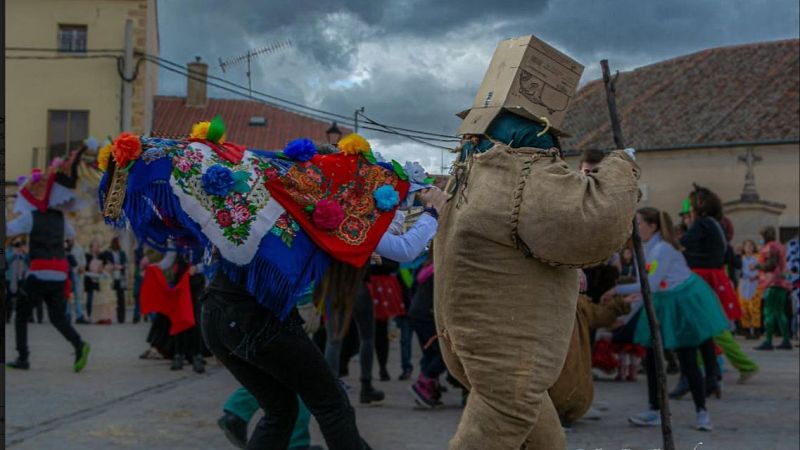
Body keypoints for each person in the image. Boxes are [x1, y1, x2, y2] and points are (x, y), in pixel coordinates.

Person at [100, 128, 444, 450]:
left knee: (281, 409)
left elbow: (379, 237)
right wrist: (433, 212)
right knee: (332, 404)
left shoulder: (278, 192)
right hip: (256, 320)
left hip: (217, 315)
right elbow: (405, 249)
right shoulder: (322, 205)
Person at [602, 207, 729, 431]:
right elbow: (645, 291)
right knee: (651, 359)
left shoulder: (663, 249)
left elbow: (649, 285)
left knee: (688, 359)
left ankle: (702, 413)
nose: (634, 228)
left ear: (652, 226)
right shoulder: (644, 249)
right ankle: (654, 410)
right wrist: (625, 318)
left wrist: (616, 289)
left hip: (681, 304)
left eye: (638, 223)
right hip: (661, 302)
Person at [6, 149, 91, 372]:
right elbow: (71, 235)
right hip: (59, 272)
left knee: (21, 314)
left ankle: (23, 357)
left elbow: (8, 230)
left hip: (39, 271)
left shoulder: (30, 217)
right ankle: (79, 344)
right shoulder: (61, 219)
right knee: (57, 317)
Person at [679, 185, 759, 388]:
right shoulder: (716, 224)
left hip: (702, 278)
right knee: (703, 327)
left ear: (698, 206)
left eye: (691, 206)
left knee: (709, 327)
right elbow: (730, 256)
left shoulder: (702, 224)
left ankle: (738, 366)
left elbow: (683, 242)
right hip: (713, 277)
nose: (689, 211)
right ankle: (706, 368)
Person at [754, 226, 793, 350]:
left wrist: (757, 266)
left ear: (765, 236)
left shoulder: (770, 247)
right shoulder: (779, 245)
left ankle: (768, 341)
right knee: (780, 311)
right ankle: (786, 340)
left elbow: (771, 264)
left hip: (772, 283)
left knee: (769, 312)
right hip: (782, 282)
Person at [738, 239, 762, 339]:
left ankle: (756, 329)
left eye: (751, 245)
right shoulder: (740, 258)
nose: (749, 247)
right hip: (743, 284)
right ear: (743, 248)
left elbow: (762, 269)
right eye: (747, 246)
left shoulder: (758, 257)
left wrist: (756, 276)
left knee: (754, 307)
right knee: (743, 307)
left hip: (755, 283)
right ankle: (746, 329)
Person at [6, 238, 29, 324]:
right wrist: (14, 253)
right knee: (9, 299)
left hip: (21, 278)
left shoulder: (23, 251)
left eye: (19, 241)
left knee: (22, 299)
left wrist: (26, 253)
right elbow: (6, 260)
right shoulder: (7, 250)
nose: (18, 243)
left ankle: (21, 317)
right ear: (12, 241)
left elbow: (29, 262)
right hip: (10, 278)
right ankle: (8, 317)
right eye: (16, 241)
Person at [66, 237, 89, 324]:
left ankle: (79, 315)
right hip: (66, 274)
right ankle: (67, 314)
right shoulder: (64, 247)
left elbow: (83, 260)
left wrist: (82, 266)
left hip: (76, 273)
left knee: (77, 295)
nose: (70, 240)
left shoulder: (79, 248)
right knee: (67, 295)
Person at [85, 259, 115, 325]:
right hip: (101, 293)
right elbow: (92, 275)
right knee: (101, 307)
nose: (99, 269)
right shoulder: (100, 275)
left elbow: (109, 280)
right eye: (98, 267)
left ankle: (107, 318)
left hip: (107, 293)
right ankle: (101, 318)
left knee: (106, 307)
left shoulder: (105, 274)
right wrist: (85, 273)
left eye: (100, 267)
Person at [106, 237, 128, 323]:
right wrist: (112, 266)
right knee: (110, 297)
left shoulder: (122, 253)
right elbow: (106, 262)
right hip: (111, 276)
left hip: (120, 276)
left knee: (121, 297)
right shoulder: (108, 253)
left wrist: (121, 266)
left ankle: (121, 318)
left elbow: (125, 263)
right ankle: (109, 317)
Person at [84, 240, 104, 320]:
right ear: (91, 247)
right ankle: (89, 315)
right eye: (94, 246)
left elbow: (103, 266)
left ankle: (97, 316)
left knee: (98, 298)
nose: (96, 248)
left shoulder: (101, 256)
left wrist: (101, 269)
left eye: (97, 246)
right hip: (89, 279)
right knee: (90, 298)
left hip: (98, 279)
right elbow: (85, 267)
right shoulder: (87, 256)